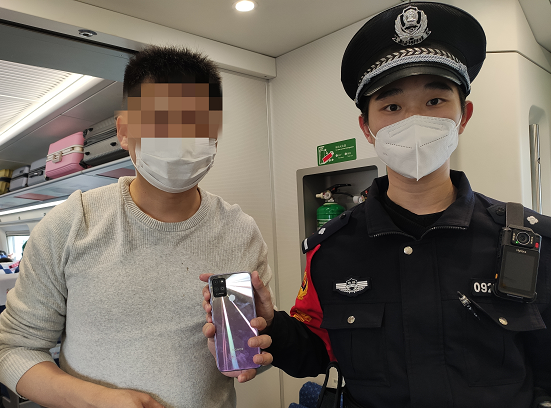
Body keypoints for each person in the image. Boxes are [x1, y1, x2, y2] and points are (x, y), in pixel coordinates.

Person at [202, 2, 550, 407]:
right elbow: (317, 351)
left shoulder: (530, 240)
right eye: (392, 107)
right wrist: (271, 325)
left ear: (464, 115)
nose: (414, 119)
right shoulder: (331, 249)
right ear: (367, 128)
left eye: (435, 101)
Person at [0, 45, 272, 408]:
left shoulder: (241, 231)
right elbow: (13, 350)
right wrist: (95, 400)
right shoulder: (71, 224)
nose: (180, 139)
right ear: (124, 131)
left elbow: (255, 361)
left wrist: (258, 345)